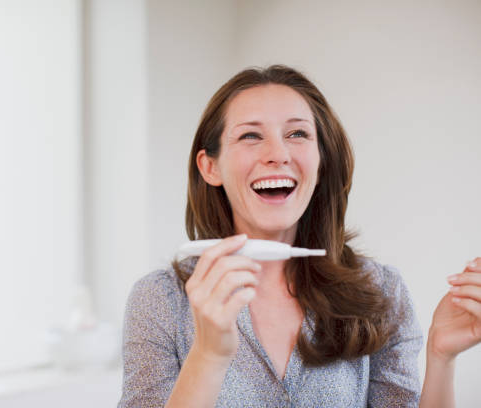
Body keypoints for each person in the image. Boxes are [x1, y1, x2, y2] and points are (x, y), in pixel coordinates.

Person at [118, 65, 481, 407]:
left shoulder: (381, 290)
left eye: (297, 134)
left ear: (321, 161)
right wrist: (209, 355)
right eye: (250, 135)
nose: (277, 154)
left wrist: (440, 356)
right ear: (210, 167)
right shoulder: (160, 300)